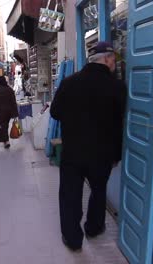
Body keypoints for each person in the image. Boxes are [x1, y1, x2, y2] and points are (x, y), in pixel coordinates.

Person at [50, 41, 127, 251]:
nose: (114, 63)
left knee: (70, 195)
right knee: (98, 190)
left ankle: (73, 239)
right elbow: (122, 120)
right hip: (102, 154)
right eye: (113, 59)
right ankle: (94, 227)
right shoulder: (117, 87)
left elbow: (55, 112)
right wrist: (116, 153)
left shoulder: (69, 82)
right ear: (107, 59)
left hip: (73, 152)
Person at [0, 76, 19, 149]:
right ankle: (6, 140)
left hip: (0, 111)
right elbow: (13, 102)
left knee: (2, 126)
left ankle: (6, 141)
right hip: (9, 111)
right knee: (5, 125)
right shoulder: (9, 89)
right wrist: (15, 113)